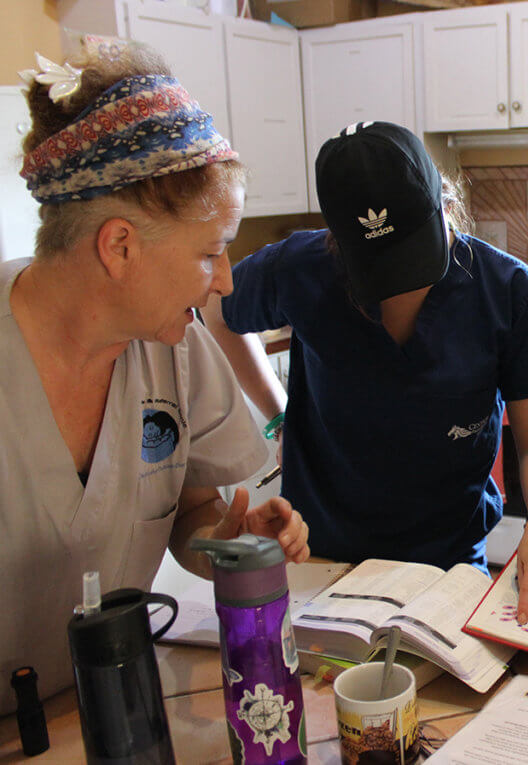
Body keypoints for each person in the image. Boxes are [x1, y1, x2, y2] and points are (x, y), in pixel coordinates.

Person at [0, 40, 310, 715]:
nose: (226, 281)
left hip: (110, 707)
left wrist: (229, 541)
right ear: (119, 246)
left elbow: (195, 510)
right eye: (211, 252)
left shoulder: (176, 350)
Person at [204, 121, 528, 621]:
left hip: (450, 567)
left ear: (443, 203)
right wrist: (278, 415)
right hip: (321, 559)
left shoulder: (508, 291)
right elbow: (216, 307)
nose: (401, 287)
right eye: (379, 267)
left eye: (415, 255)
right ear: (337, 243)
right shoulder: (300, 268)